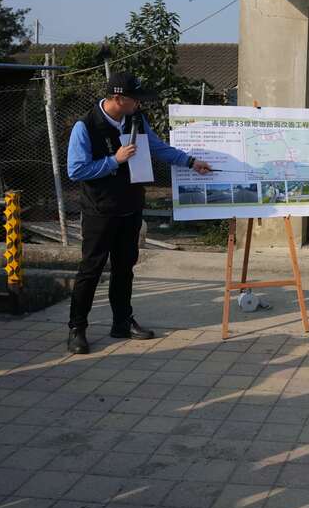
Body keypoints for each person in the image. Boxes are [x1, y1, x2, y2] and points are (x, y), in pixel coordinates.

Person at [66, 72, 211, 355]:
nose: (140, 104)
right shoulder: (86, 126)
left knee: (125, 268)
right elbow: (76, 170)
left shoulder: (136, 119)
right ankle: (77, 328)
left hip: (130, 207)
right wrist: (114, 160)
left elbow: (157, 148)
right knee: (91, 270)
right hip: (100, 211)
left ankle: (122, 322)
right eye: (136, 99)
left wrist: (190, 161)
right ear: (118, 98)